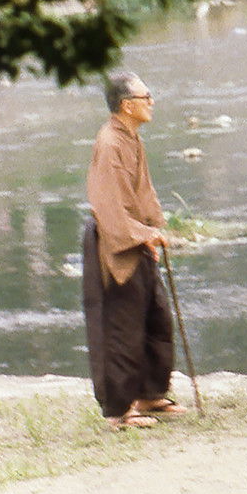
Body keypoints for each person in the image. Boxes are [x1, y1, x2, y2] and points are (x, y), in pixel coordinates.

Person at [82, 71, 187, 429]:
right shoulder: (109, 143)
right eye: (147, 96)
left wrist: (155, 230)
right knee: (121, 328)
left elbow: (145, 193)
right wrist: (141, 234)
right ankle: (121, 410)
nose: (151, 102)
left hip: (138, 239)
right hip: (116, 243)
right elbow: (109, 206)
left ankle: (150, 393)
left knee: (154, 318)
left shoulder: (132, 138)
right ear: (128, 105)